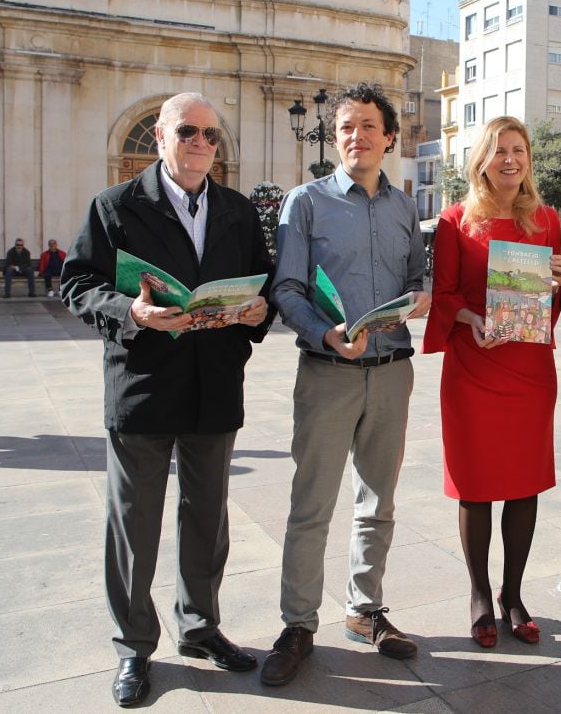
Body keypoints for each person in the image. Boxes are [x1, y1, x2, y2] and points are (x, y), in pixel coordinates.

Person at [60, 92, 274, 707]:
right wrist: (131, 311)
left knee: (207, 520)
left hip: (214, 384)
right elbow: (77, 283)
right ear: (160, 136)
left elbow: (260, 278)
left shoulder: (234, 209)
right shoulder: (117, 205)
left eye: (211, 135)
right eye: (188, 131)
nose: (201, 143)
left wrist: (260, 310)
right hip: (144, 386)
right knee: (134, 525)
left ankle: (200, 627)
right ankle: (133, 647)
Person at [261, 82, 431, 686]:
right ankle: (298, 623)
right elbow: (285, 289)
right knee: (312, 505)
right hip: (327, 373)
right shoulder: (304, 203)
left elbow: (415, 275)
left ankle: (366, 609)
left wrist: (418, 300)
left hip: (391, 373)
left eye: (367, 126)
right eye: (345, 128)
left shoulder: (404, 207)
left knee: (378, 501)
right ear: (334, 140)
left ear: (390, 137)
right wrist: (326, 333)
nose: (356, 136)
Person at [421, 116, 561, 648]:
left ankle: (514, 593)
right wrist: (473, 320)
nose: (510, 159)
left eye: (519, 150)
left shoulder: (547, 220)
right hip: (474, 367)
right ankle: (480, 594)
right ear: (481, 159)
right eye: (500, 150)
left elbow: (549, 306)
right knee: (477, 485)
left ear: (529, 159)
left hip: (528, 370)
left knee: (524, 483)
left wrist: (557, 284)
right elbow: (445, 295)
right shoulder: (456, 220)